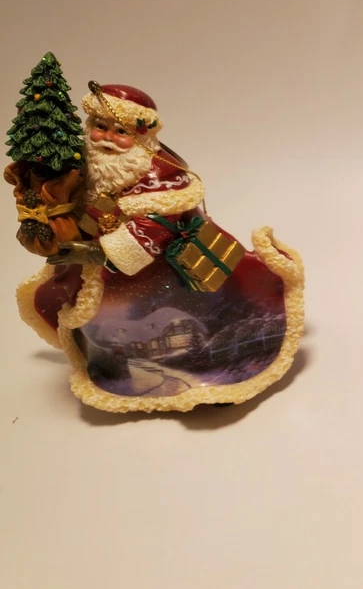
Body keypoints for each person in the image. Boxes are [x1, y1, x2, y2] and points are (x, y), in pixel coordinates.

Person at [16, 83, 305, 413]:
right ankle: (111, 363)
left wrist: (92, 252)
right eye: (100, 127)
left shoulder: (162, 180)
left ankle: (209, 374)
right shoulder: (90, 166)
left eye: (120, 131)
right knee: (102, 320)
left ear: (142, 135)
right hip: (104, 268)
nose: (107, 138)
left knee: (156, 315)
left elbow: (152, 231)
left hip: (159, 273)